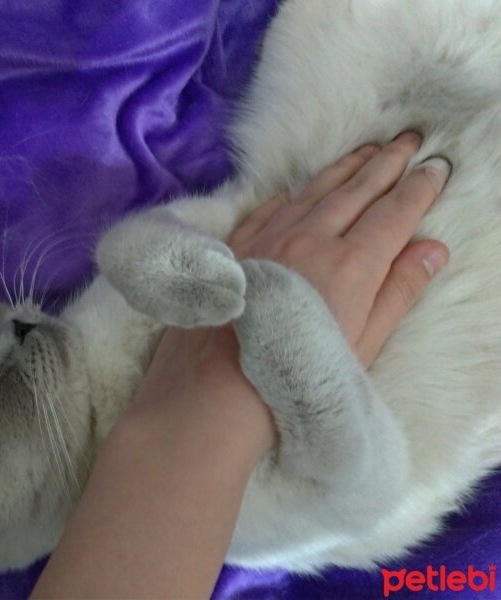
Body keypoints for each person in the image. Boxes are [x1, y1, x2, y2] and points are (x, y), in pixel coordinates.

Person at [30, 132, 451, 599]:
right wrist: (240, 391)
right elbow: (367, 494)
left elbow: (216, 220)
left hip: (335, 143)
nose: (11, 337)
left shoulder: (77, 352)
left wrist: (145, 249)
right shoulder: (234, 535)